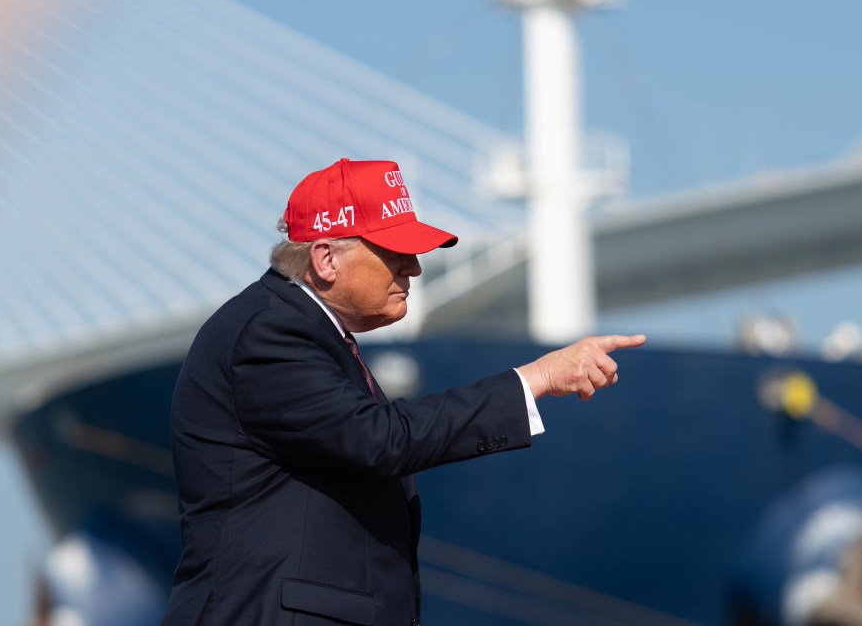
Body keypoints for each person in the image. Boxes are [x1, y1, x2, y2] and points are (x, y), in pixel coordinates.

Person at [161, 158, 644, 626]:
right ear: (325, 258)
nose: (413, 268)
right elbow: (379, 439)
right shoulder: (270, 332)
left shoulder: (297, 329)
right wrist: (534, 379)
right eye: (394, 252)